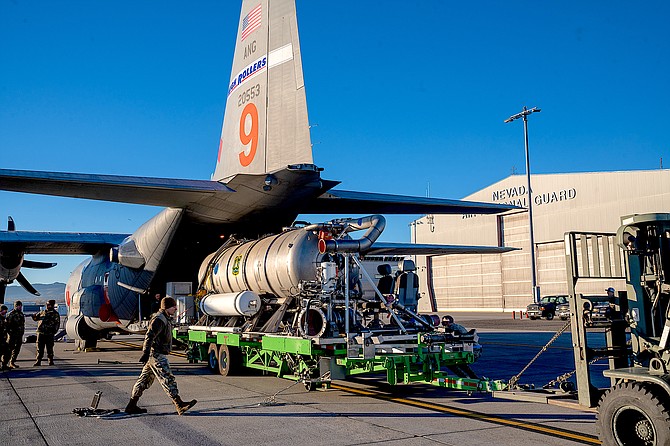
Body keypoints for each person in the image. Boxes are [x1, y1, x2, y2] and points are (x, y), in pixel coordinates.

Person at [125, 297, 197, 415]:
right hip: (156, 355)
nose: (176, 308)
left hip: (154, 355)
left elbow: (165, 336)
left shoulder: (165, 318)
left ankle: (131, 405)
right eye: (173, 306)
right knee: (167, 378)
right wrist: (145, 352)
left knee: (143, 381)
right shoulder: (159, 319)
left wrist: (179, 343)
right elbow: (150, 336)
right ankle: (179, 404)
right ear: (167, 307)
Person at [31, 300, 61, 366]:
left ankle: (50, 360)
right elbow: (36, 318)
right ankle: (38, 361)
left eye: (49, 305)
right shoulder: (42, 312)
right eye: (47, 305)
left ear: (52, 305)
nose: (48, 306)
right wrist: (33, 316)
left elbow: (57, 324)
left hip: (49, 334)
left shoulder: (55, 314)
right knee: (39, 348)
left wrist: (54, 332)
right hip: (41, 333)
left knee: (49, 348)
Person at [4, 300, 25, 369]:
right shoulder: (11, 314)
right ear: (16, 306)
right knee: (9, 349)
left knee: (17, 349)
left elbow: (22, 324)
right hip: (12, 335)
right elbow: (7, 325)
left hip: (19, 335)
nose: (20, 307)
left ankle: (12, 362)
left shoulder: (21, 314)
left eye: (21, 306)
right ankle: (4, 363)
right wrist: (11, 333)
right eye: (19, 306)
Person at [0, 305, 8, 371]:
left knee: (6, 351)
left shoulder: (3, 318)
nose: (6, 312)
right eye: (5, 310)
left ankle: (4, 365)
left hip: (3, 338)